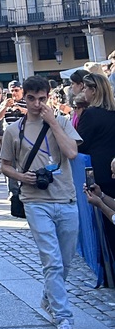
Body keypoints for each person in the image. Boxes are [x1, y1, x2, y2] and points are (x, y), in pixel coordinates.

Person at [0, 76, 81, 329]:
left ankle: (49, 297)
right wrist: (23, 176)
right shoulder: (14, 129)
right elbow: (4, 165)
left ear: (49, 97)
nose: (36, 104)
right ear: (25, 97)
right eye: (31, 99)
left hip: (66, 198)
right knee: (52, 261)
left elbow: (71, 153)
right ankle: (64, 319)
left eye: (41, 99)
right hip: (35, 200)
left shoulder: (63, 122)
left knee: (66, 260)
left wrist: (54, 123)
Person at [63, 72, 115, 273]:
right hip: (111, 169)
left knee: (106, 222)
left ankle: (108, 267)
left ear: (94, 90)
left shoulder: (91, 114)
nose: (83, 91)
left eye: (85, 88)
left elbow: (79, 145)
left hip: (99, 173)